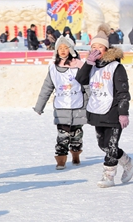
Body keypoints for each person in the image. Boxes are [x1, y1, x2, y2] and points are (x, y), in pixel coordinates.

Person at [75, 24, 132, 188]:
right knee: (104, 145)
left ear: (106, 49)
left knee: (112, 145)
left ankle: (109, 176)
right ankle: (128, 163)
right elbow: (80, 80)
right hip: (97, 110)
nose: (96, 49)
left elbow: (123, 92)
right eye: (93, 46)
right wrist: (88, 63)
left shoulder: (116, 67)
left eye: (100, 46)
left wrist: (123, 112)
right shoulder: (91, 66)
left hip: (113, 111)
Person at [34, 35, 86, 170]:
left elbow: (87, 86)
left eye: (65, 48)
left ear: (71, 49)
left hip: (78, 105)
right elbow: (47, 88)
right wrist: (39, 106)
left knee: (76, 134)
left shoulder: (79, 66)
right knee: (62, 134)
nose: (62, 50)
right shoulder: (53, 68)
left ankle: (76, 153)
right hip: (61, 107)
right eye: (60, 48)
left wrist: (93, 104)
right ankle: (61, 158)